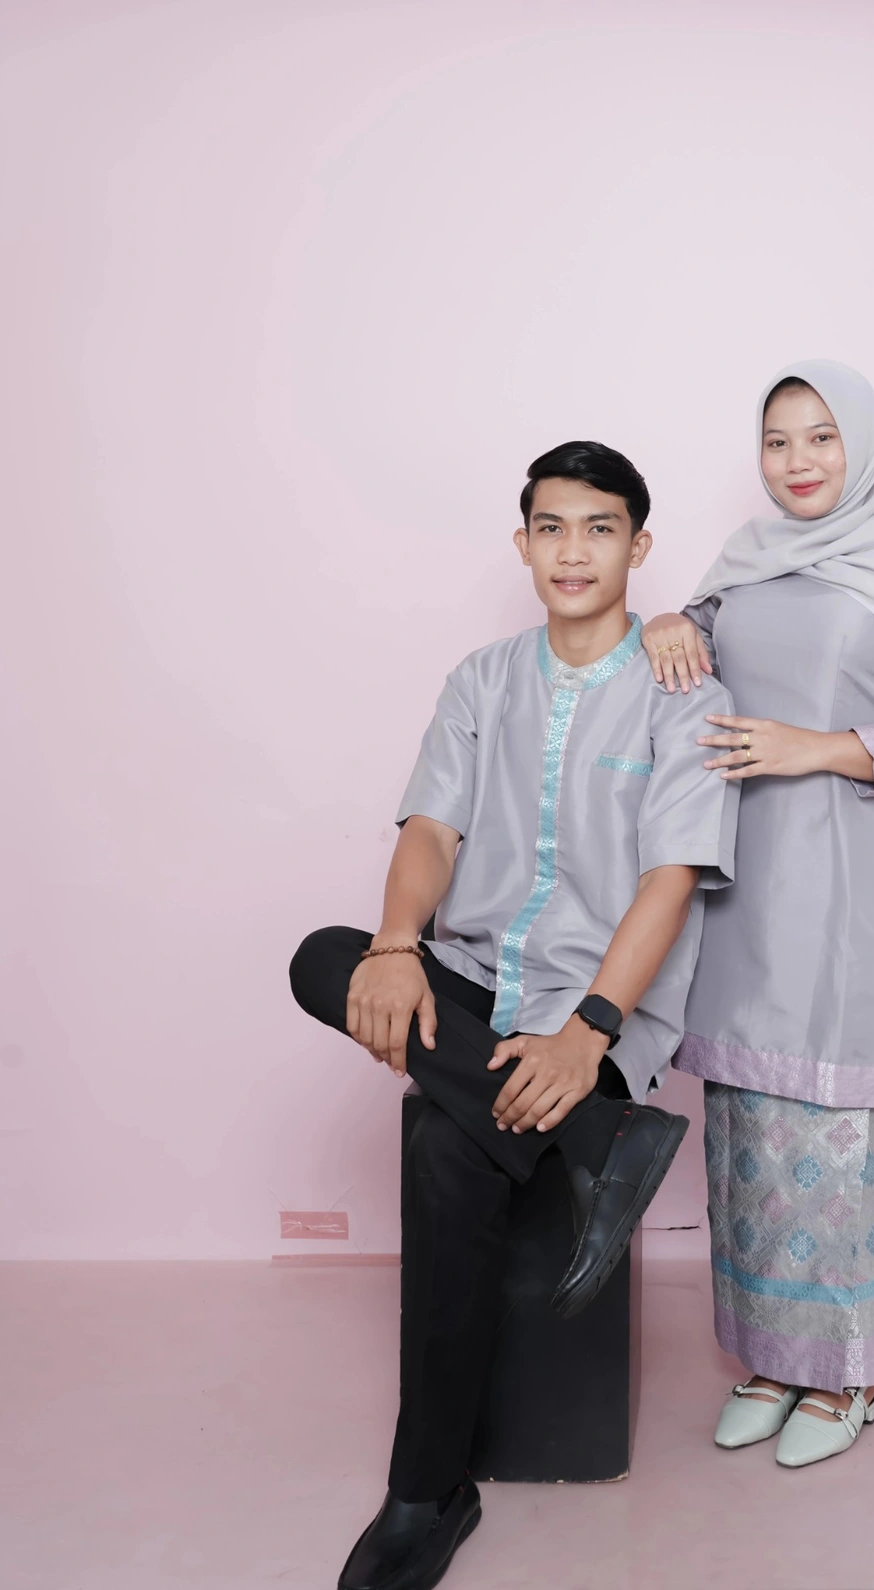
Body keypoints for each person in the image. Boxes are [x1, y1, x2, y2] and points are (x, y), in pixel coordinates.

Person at [290, 439, 737, 1590]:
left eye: (599, 528)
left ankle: (424, 1492)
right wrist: (397, 949)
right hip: (476, 986)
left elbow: (669, 882)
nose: (572, 550)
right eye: (551, 527)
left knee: (450, 1147)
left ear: (638, 546)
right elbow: (429, 833)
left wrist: (588, 1030)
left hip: (598, 1013)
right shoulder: (481, 680)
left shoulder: (685, 693)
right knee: (321, 957)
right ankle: (600, 1143)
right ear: (523, 544)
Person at [641, 359, 874, 1469]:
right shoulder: (743, 568)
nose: (796, 462)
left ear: (862, 445)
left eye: (820, 437)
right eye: (777, 440)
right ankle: (769, 1356)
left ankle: (850, 1372)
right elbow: (690, 655)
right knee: (752, 1125)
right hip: (746, 877)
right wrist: (667, 619)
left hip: (853, 880)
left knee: (844, 1129)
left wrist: (825, 747)